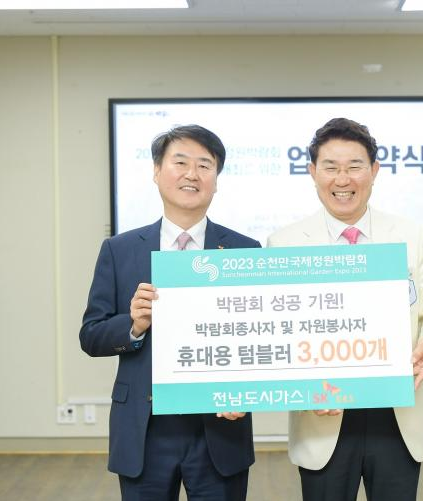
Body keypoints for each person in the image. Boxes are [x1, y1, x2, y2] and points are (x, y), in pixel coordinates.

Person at [267, 118, 423, 501]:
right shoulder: (284, 244)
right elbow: (275, 333)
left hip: (397, 416)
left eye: (354, 166)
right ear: (312, 172)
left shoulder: (410, 235)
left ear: (374, 170)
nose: (343, 179)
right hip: (324, 418)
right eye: (330, 167)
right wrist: (303, 388)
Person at [80, 124, 258, 501]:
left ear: (216, 180)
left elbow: (259, 337)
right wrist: (134, 325)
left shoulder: (245, 250)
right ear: (157, 171)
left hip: (219, 431)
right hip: (144, 431)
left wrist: (246, 391)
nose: (192, 174)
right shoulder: (120, 249)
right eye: (180, 162)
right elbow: (91, 336)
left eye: (204, 165)